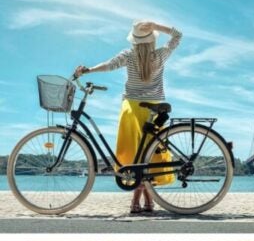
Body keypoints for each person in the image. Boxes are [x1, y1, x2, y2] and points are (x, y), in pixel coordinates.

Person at [74, 21, 182, 214]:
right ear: (152, 40)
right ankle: (148, 200)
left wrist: (88, 70)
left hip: (131, 108)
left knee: (134, 157)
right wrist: (157, 26)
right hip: (154, 109)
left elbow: (109, 65)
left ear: (135, 40)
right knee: (150, 156)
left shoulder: (129, 55)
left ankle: (135, 199)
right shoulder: (159, 55)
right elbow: (177, 36)